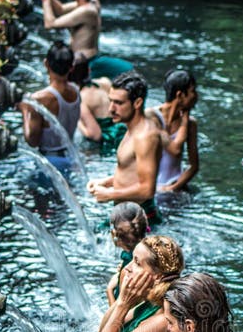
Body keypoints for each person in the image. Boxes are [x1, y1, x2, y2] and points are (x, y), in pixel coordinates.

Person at [86, 71, 163, 225]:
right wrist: (106, 182)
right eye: (110, 101)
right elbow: (134, 174)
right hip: (127, 215)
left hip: (138, 221)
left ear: (137, 103)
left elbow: (147, 189)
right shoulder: (132, 129)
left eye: (119, 103)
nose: (111, 109)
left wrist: (109, 194)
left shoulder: (145, 136)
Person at [35, 0, 133, 78]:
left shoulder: (87, 11)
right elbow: (61, 10)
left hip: (85, 63)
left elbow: (50, 24)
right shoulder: (91, 1)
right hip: (80, 60)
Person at [17, 40, 80, 171]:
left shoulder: (39, 99)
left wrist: (24, 109)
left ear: (46, 64)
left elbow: (32, 140)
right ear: (71, 67)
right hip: (71, 158)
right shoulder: (76, 91)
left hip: (50, 161)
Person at [147, 68, 200, 192]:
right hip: (151, 185)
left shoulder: (191, 124)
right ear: (180, 95)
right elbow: (175, 150)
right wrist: (185, 121)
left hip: (175, 185)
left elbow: (194, 166)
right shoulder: (152, 117)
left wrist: (172, 188)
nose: (196, 96)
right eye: (193, 91)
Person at [70, 54, 127, 150]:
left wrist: (79, 122)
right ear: (89, 70)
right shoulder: (105, 82)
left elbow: (95, 135)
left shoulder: (81, 99)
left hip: (110, 142)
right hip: (125, 131)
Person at [106, 202, 148, 305]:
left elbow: (119, 316)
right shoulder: (147, 253)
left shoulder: (128, 270)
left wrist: (110, 291)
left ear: (114, 234)